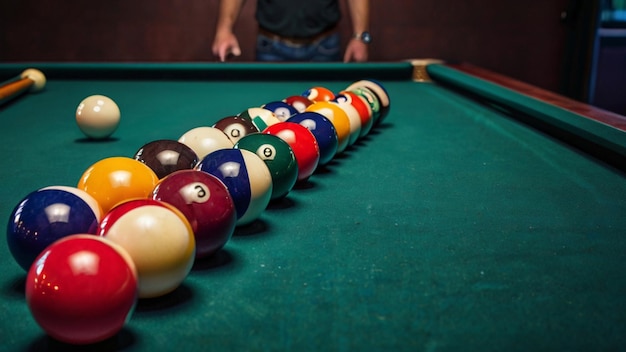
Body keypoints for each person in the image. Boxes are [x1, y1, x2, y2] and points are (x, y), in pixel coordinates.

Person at [211, 0, 370, 62]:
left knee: (327, 116)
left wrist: (361, 37)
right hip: (271, 46)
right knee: (267, 115)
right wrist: (224, 30)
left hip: (325, 46)